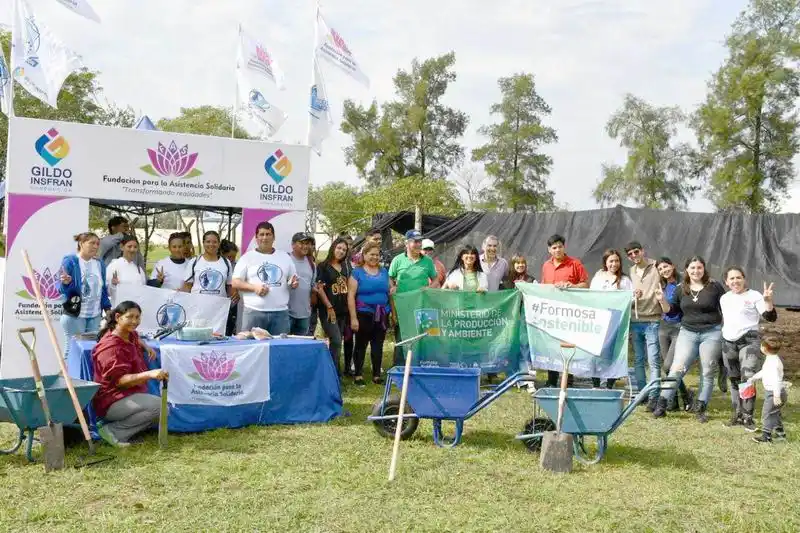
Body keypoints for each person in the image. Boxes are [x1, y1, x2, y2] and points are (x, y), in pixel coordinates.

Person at [653, 256, 725, 422]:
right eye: (692, 268)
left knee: (707, 371)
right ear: (687, 270)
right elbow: (671, 312)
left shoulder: (714, 287)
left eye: (699, 267)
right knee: (676, 368)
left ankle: (700, 408)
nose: (696, 271)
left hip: (711, 333)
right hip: (688, 333)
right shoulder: (681, 288)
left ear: (704, 269)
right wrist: (662, 299)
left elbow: (725, 307)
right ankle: (662, 405)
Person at [92, 301, 166, 447]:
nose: (135, 321)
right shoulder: (111, 347)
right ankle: (112, 431)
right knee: (160, 407)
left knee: (161, 408)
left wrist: (146, 346)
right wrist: (149, 374)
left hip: (126, 395)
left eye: (137, 317)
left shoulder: (128, 334)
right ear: (118, 317)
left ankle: (119, 431)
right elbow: (120, 381)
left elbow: (136, 337)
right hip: (110, 400)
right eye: (130, 317)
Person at [720, 267, 777, 430]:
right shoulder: (724, 298)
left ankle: (748, 417)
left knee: (748, 376)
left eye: (738, 277)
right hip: (728, 342)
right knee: (734, 379)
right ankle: (737, 414)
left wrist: (768, 301)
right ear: (726, 282)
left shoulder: (755, 296)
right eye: (731, 279)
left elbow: (770, 317)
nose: (735, 281)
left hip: (749, 341)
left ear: (744, 279)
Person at [540, 234, 589, 387]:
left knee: (568, 346)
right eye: (554, 247)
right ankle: (552, 380)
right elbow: (543, 286)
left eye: (560, 246)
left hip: (570, 314)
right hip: (552, 314)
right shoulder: (546, 265)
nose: (558, 250)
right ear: (549, 250)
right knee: (551, 345)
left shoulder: (575, 263)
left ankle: (568, 379)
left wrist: (572, 286)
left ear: (564, 247)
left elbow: (586, 284)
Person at [232, 222, 298, 335]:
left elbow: (292, 279)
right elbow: (235, 282)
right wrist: (254, 287)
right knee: (251, 348)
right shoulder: (247, 258)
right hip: (253, 312)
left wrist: (293, 283)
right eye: (261, 234)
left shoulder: (285, 257)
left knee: (279, 350)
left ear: (274, 237)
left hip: (280, 314)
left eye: (268, 234)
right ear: (256, 238)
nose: (265, 237)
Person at [388, 230, 440, 364]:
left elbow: (436, 281)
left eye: (420, 242)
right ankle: (399, 370)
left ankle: (421, 366)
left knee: (424, 337)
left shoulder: (427, 261)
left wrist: (428, 288)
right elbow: (390, 278)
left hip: (422, 307)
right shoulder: (397, 260)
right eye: (415, 242)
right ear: (406, 243)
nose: (418, 244)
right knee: (402, 338)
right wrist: (392, 287)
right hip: (403, 307)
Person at [59, 232, 112, 361]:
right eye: (92, 243)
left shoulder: (99, 264)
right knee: (73, 351)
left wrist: (107, 308)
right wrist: (65, 283)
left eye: (97, 244)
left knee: (91, 350)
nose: (95, 246)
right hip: (75, 315)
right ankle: (68, 380)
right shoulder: (70, 261)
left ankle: (85, 381)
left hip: (94, 315)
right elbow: (61, 288)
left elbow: (102, 288)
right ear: (81, 244)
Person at [625, 241, 663, 411]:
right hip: (635, 319)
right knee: (639, 360)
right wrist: (633, 295)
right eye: (630, 254)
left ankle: (654, 397)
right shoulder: (631, 271)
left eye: (636, 252)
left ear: (642, 250)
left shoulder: (656, 266)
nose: (634, 256)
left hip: (652, 320)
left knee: (653, 360)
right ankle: (643, 394)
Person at [348, 241, 391, 385]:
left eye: (377, 255)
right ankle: (358, 375)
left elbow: (390, 291)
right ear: (364, 255)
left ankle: (377, 375)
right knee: (361, 344)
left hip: (382, 314)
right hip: (363, 314)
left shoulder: (384, 272)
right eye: (371, 254)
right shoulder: (357, 273)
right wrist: (353, 318)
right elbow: (350, 296)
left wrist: (393, 312)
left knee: (378, 345)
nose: (375, 257)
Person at [589, 249, 633, 388]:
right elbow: (592, 296)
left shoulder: (625, 280)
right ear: (605, 263)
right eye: (611, 261)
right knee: (596, 353)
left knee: (613, 354)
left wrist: (635, 296)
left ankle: (609, 384)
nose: (614, 264)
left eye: (617, 261)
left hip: (617, 321)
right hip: (600, 320)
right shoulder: (598, 277)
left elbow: (630, 300)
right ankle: (596, 384)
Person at [656, 257, 694, 411]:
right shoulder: (661, 285)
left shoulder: (683, 283)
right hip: (664, 327)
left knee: (669, 365)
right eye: (660, 269)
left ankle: (682, 396)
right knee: (667, 369)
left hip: (679, 327)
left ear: (672, 265)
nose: (663, 270)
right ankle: (680, 397)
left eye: (665, 267)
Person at [316, 237, 351, 377]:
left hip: (343, 310)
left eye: (344, 249)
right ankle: (333, 374)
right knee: (336, 340)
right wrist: (329, 306)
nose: (341, 251)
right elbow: (319, 288)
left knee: (338, 342)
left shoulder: (346, 267)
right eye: (339, 248)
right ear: (333, 248)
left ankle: (334, 370)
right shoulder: (323, 266)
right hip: (328, 311)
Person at [749, 336, 788, 443]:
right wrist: (754, 377)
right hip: (774, 392)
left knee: (766, 414)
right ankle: (781, 434)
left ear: (764, 348)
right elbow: (764, 371)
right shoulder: (771, 359)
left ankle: (766, 436)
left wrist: (776, 395)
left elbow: (776, 380)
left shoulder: (773, 363)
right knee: (774, 414)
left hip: (774, 393)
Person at [182, 231, 232, 298]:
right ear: (203, 243)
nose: (211, 244)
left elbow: (229, 286)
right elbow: (187, 286)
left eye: (215, 242)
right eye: (208, 242)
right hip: (197, 305)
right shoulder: (194, 261)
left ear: (219, 244)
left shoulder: (226, 262)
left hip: (219, 306)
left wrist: (230, 302)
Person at [288, 232, 315, 336]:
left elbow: (312, 285)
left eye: (307, 243)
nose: (305, 246)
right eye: (302, 243)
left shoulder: (311, 262)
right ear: (293, 244)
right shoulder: (285, 260)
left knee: (299, 347)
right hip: (286, 314)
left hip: (305, 315)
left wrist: (316, 289)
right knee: (284, 347)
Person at [106, 236, 147, 304]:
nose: (132, 250)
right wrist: (113, 284)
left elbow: (143, 289)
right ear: (122, 247)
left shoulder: (138, 269)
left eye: (135, 247)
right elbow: (107, 291)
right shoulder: (114, 266)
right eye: (129, 246)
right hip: (120, 308)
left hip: (136, 308)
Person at [220, 239, 241, 336]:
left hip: (234, 303)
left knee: (230, 327)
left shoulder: (237, 266)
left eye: (234, 257)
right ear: (221, 254)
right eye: (229, 257)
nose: (232, 259)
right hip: (221, 302)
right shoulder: (220, 266)